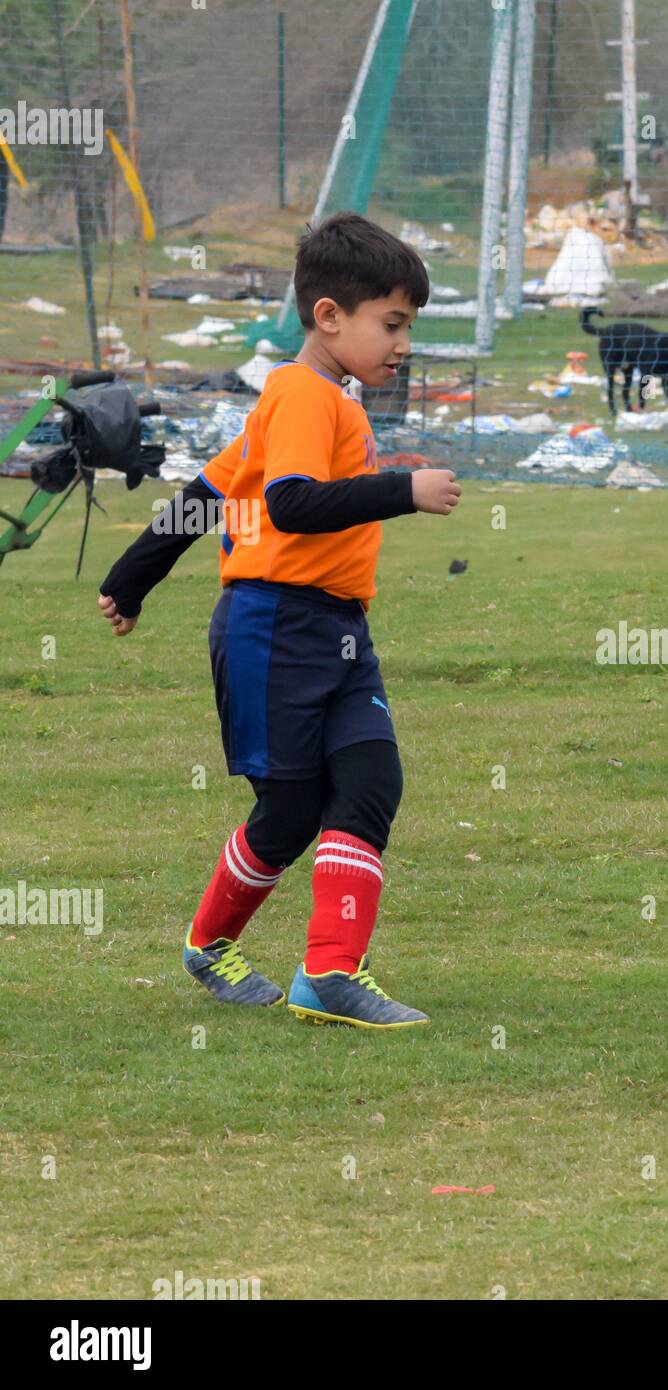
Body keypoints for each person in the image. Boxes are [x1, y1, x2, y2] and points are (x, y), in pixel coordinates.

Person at [98, 212, 461, 1029]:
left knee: (371, 781)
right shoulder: (300, 394)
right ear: (329, 316)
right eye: (392, 324)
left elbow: (206, 497)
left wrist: (131, 580)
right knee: (292, 811)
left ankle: (330, 975)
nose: (402, 344)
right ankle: (207, 944)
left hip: (335, 631)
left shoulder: (319, 400)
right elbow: (292, 506)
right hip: (273, 630)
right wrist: (403, 490)